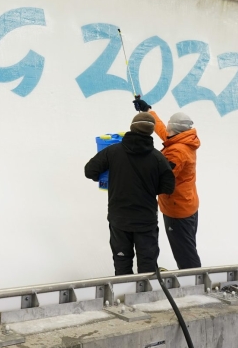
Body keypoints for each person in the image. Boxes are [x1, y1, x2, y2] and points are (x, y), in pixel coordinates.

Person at [84, 112, 176, 275]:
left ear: (132, 128)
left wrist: (110, 177)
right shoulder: (158, 158)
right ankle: (146, 299)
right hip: (145, 221)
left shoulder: (112, 151)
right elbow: (168, 187)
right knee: (147, 266)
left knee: (122, 264)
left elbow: (89, 171)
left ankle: (122, 295)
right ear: (150, 131)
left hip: (119, 219)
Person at [134, 97, 202, 270]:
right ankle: (192, 277)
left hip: (177, 209)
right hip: (187, 204)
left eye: (171, 125)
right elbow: (164, 132)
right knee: (187, 246)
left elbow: (162, 178)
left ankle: (194, 284)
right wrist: (148, 111)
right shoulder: (184, 140)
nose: (168, 128)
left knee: (184, 252)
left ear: (176, 130)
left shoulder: (176, 152)